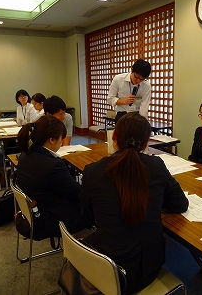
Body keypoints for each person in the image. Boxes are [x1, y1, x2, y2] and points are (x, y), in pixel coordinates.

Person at [80, 113, 188, 293]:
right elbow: (180, 204)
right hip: (143, 269)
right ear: (146, 144)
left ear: (114, 137)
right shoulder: (156, 166)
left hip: (103, 264)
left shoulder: (92, 171)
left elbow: (88, 217)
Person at [14, 115, 90, 236]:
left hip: (36, 209)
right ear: (52, 140)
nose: (62, 143)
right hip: (51, 217)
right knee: (96, 203)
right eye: (61, 139)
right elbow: (77, 194)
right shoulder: (53, 165)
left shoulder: (25, 154)